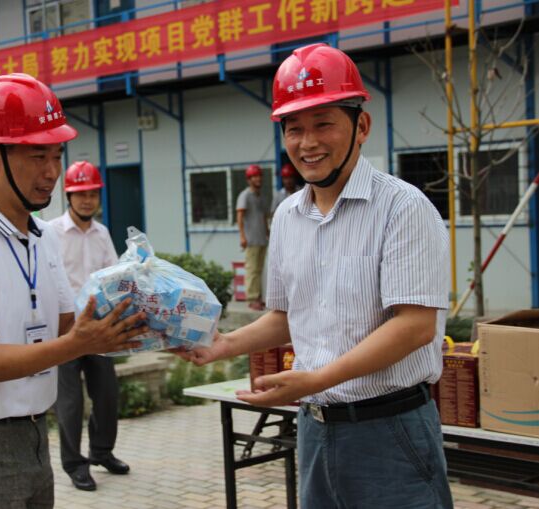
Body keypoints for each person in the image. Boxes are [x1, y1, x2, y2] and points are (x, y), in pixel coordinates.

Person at [181, 44, 453, 508]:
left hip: (391, 431)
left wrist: (316, 379)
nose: (307, 143)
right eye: (294, 128)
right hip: (315, 428)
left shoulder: (403, 208)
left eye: (323, 124)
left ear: (361, 126)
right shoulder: (288, 216)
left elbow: (414, 326)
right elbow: (286, 315)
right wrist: (222, 345)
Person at [0, 74, 147, 508]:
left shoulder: (41, 236)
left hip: (32, 430)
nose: (52, 172)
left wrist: (143, 320)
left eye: (57, 155)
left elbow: (67, 322)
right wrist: (77, 345)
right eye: (38, 156)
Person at [49, 161, 129, 492]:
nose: (87, 200)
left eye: (92, 194)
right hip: (65, 328)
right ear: (68, 196)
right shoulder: (50, 232)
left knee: (107, 394)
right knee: (70, 402)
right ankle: (74, 464)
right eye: (80, 194)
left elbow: (114, 273)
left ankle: (102, 452)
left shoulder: (102, 233)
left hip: (98, 327)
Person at [236, 164, 269, 311]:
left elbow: (264, 216)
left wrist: (267, 231)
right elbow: (239, 216)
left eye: (259, 176)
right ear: (249, 179)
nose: (258, 179)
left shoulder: (261, 196)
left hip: (262, 238)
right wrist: (242, 236)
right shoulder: (245, 195)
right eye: (254, 176)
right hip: (251, 239)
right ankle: (251, 298)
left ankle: (258, 297)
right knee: (252, 269)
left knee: (259, 269)